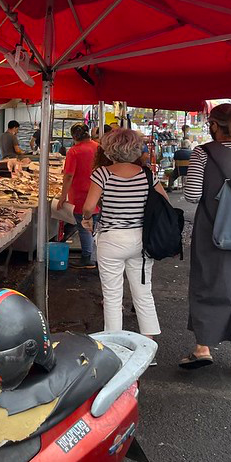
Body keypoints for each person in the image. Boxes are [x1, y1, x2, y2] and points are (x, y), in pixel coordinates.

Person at [180, 104, 231, 378]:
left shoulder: (203, 153)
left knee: (209, 285)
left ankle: (203, 348)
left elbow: (190, 195)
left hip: (212, 235)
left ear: (215, 125)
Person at [82, 128, 168, 340]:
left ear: (109, 150)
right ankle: (148, 347)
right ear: (137, 149)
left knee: (112, 296)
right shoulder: (148, 174)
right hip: (142, 239)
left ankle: (115, 346)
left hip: (111, 239)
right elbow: (165, 202)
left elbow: (89, 206)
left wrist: (86, 219)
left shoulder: (101, 174)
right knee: (143, 292)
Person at [58, 124, 99, 269]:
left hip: (80, 194)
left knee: (84, 226)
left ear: (74, 136)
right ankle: (95, 256)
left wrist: (63, 196)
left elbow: (68, 175)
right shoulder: (97, 147)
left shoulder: (74, 152)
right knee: (94, 224)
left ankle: (87, 258)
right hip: (97, 191)